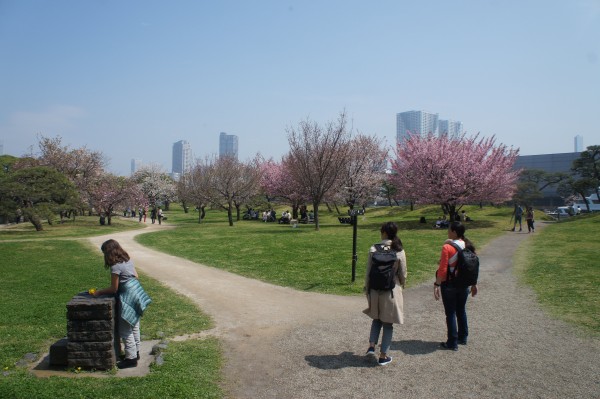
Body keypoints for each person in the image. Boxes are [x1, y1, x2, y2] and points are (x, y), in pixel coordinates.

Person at [92, 239, 152, 369]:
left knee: (125, 329)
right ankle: (135, 353)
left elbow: (114, 288)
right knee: (134, 324)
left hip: (128, 295)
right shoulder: (127, 259)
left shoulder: (115, 266)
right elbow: (136, 276)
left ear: (108, 253)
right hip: (137, 291)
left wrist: (99, 292)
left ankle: (131, 359)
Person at [363, 222, 407, 366]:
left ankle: (371, 347)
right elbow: (403, 273)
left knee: (376, 319)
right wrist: (402, 285)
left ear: (383, 232)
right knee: (388, 324)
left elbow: (368, 272)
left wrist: (367, 288)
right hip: (391, 290)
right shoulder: (399, 250)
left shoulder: (374, 248)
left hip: (375, 289)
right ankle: (383, 356)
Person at [434, 221, 478, 351]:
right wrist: (474, 284)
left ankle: (452, 342)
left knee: (451, 313)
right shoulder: (467, 245)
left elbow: (442, 269)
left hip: (449, 284)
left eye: (449, 229)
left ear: (454, 231)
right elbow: (473, 266)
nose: (447, 231)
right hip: (464, 284)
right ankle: (462, 337)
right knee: (461, 310)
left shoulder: (447, 248)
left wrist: (437, 284)